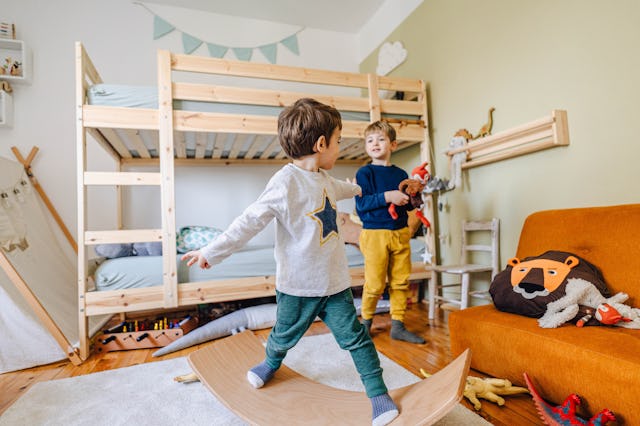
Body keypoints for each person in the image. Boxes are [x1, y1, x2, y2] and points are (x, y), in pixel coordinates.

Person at [182, 98, 399, 426]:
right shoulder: (285, 183)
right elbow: (249, 221)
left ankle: (378, 393)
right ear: (321, 143)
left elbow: (344, 188)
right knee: (283, 335)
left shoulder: (325, 179)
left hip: (335, 284)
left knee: (356, 337)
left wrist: (367, 191)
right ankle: (270, 363)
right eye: (339, 141)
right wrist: (211, 252)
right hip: (298, 287)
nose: (340, 148)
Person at [355, 120, 426, 344]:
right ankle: (364, 324)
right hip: (375, 234)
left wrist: (413, 198)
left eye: (381, 139)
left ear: (393, 145)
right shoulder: (365, 173)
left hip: (400, 232)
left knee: (400, 281)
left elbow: (406, 203)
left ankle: (398, 325)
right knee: (375, 283)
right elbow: (362, 204)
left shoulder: (401, 173)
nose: (375, 143)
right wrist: (389, 196)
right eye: (370, 140)